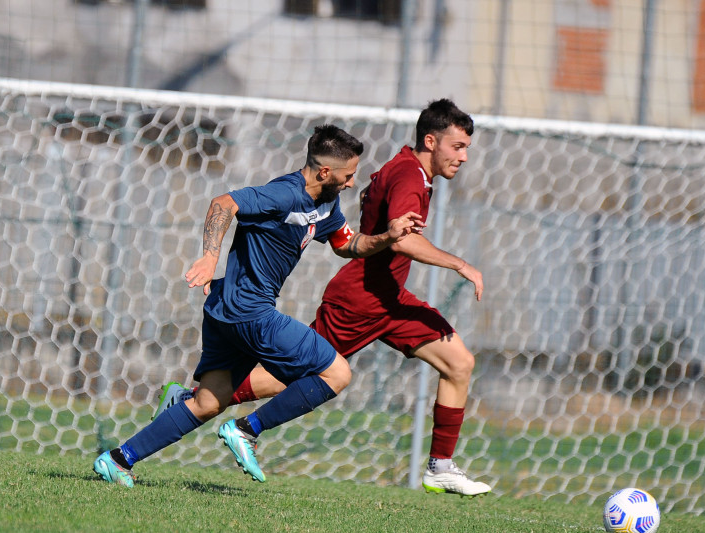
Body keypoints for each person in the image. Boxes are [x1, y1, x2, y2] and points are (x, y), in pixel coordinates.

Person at [157, 99, 491, 497]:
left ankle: (440, 466)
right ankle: (202, 405)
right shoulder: (408, 176)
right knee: (304, 374)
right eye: (458, 147)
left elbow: (359, 235)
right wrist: (459, 264)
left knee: (459, 363)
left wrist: (381, 230)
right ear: (431, 141)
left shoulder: (405, 174)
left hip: (391, 299)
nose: (464, 157)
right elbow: (405, 242)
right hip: (361, 301)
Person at [93, 124, 424, 487]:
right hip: (250, 310)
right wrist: (209, 258)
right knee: (337, 373)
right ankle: (247, 430)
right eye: (348, 175)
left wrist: (387, 237)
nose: (350, 183)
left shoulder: (327, 202)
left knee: (207, 403)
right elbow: (224, 203)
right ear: (325, 172)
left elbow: (348, 245)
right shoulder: (284, 194)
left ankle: (119, 459)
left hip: (226, 308)